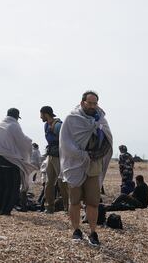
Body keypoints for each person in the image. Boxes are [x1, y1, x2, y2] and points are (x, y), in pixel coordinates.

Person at [60, 91, 113, 246]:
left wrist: (96, 153)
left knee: (93, 202)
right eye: (89, 103)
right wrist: (82, 154)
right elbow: (65, 143)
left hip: (93, 164)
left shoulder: (101, 119)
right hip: (75, 165)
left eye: (94, 103)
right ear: (82, 102)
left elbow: (109, 139)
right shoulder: (72, 119)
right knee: (74, 201)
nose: (92, 106)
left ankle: (93, 232)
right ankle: (76, 230)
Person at [0, 108, 37, 215]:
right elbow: (22, 141)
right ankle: (6, 210)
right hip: (11, 163)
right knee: (11, 189)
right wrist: (29, 141)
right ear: (16, 117)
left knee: (0, 188)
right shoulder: (14, 126)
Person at [40, 105, 69, 214]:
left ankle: (67, 207)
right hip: (51, 155)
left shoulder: (58, 125)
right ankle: (49, 207)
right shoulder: (46, 125)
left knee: (62, 183)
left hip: (59, 156)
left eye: (41, 114)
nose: (40, 117)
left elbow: (65, 139)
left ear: (45, 114)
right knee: (49, 183)